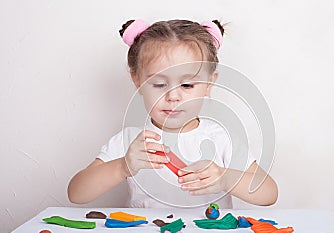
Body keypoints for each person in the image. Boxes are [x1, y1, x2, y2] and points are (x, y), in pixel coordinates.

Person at [67, 19, 278, 208]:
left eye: (187, 84)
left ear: (208, 83)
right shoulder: (132, 142)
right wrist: (122, 166)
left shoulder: (220, 138)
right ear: (137, 81)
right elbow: (76, 193)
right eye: (159, 84)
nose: (173, 96)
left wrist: (225, 178)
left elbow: (269, 193)